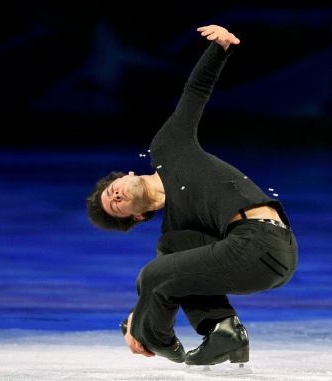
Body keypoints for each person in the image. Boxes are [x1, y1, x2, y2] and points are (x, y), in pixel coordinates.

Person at [86, 24, 298, 366]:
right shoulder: (177, 229)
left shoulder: (168, 147)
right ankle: (223, 331)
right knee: (169, 255)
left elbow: (194, 92)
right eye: (116, 207)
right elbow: (169, 278)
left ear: (125, 176)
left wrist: (219, 49)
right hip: (252, 256)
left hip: (265, 241)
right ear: (137, 217)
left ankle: (153, 338)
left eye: (113, 192)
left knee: (155, 274)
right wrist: (136, 313)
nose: (117, 197)